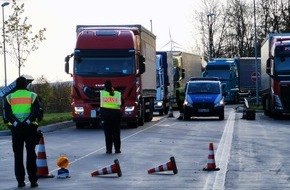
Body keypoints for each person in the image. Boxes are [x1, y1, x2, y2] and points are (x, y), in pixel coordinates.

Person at [3, 76, 41, 188]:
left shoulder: (9, 97)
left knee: (18, 156)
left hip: (16, 130)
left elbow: (7, 115)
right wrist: (27, 121)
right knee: (31, 154)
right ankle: (33, 181)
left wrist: (16, 123)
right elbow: (36, 112)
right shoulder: (33, 96)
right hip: (30, 128)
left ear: (16, 85)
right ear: (26, 85)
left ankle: (20, 181)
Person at [100, 80, 123, 154]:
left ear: (105, 87)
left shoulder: (102, 94)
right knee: (116, 132)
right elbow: (122, 102)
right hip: (116, 115)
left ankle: (109, 150)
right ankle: (117, 149)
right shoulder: (117, 94)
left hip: (106, 115)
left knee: (108, 133)